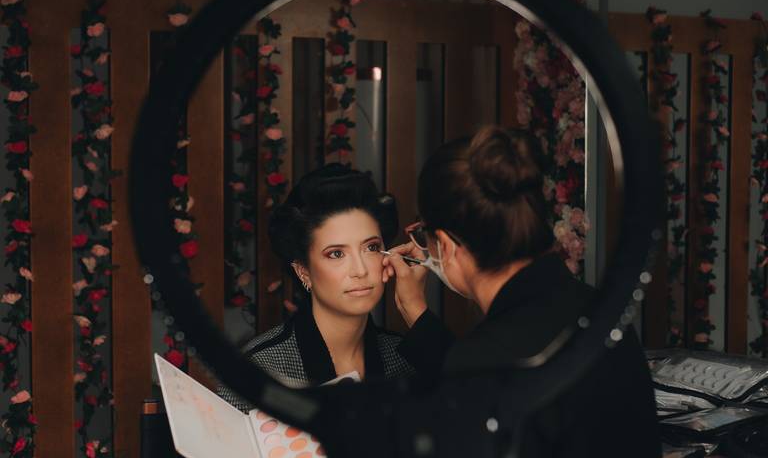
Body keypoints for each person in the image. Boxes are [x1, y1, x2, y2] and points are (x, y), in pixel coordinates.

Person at [383, 126, 661, 456]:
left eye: (423, 236)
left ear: (445, 244)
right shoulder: (601, 312)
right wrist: (417, 313)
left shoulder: (485, 360)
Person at [219, 164, 413, 411]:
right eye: (336, 253)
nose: (360, 270)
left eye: (371, 247)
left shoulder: (407, 359)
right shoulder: (257, 371)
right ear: (304, 271)